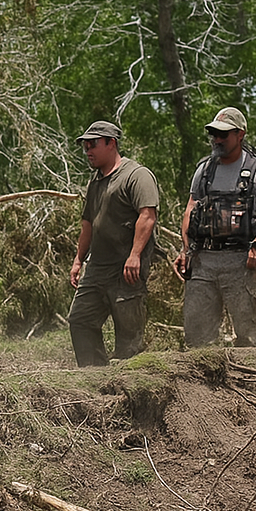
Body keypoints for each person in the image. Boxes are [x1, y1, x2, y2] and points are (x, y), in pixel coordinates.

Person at [173, 107, 256, 347]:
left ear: (240, 135)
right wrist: (185, 249)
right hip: (203, 262)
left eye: (223, 134)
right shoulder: (204, 170)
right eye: (213, 134)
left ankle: (249, 382)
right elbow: (190, 208)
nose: (217, 140)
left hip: (241, 263)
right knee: (197, 338)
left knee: (249, 337)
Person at [68, 121, 160, 367]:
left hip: (125, 269)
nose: (88, 150)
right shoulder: (95, 180)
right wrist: (78, 260)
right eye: (85, 145)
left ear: (111, 143)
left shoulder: (136, 175)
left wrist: (135, 256)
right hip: (97, 267)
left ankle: (130, 389)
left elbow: (147, 216)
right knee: (80, 320)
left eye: (93, 144)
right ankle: (95, 377)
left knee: (128, 337)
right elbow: (88, 222)